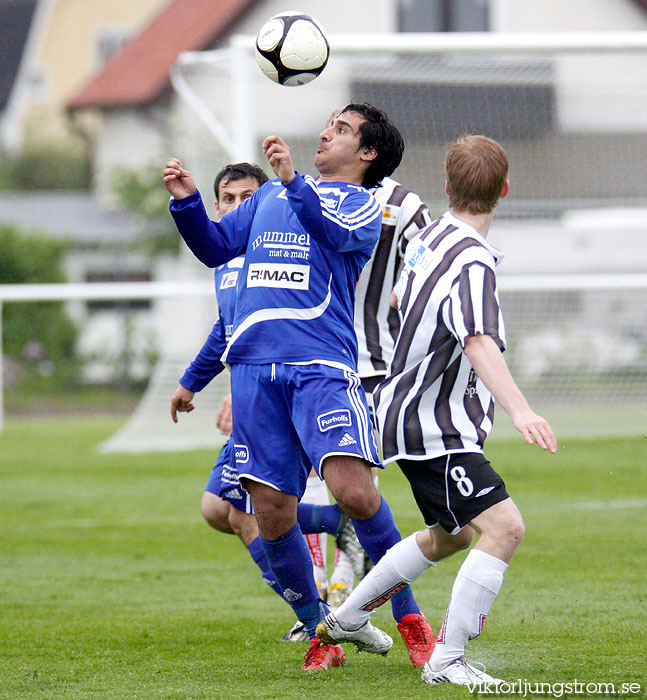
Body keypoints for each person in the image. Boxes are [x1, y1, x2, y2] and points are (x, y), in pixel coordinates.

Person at [163, 103, 427, 671]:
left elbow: (331, 232)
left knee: (355, 493)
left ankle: (411, 622)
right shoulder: (264, 198)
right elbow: (214, 248)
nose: (326, 132)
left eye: (342, 129)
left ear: (367, 153)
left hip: (320, 367)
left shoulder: (363, 205)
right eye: (328, 123)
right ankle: (319, 632)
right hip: (254, 373)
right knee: (272, 511)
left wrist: (290, 180)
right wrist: (186, 202)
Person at [316, 134, 558, 685]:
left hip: (402, 409)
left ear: (447, 188)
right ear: (505, 190)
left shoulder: (430, 236)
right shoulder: (472, 261)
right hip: (434, 427)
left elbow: (400, 298)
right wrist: (520, 410)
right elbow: (476, 341)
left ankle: (350, 615)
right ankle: (447, 662)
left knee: (452, 535)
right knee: (505, 528)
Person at [170, 162, 362, 613]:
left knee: (246, 513)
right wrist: (190, 382)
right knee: (218, 510)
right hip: (253, 389)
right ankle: (337, 525)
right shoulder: (226, 264)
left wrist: (240, 392)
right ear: (218, 208)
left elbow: (270, 334)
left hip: (278, 393)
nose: (239, 206)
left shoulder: (276, 255)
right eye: (229, 200)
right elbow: (229, 329)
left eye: (247, 199)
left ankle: (311, 613)